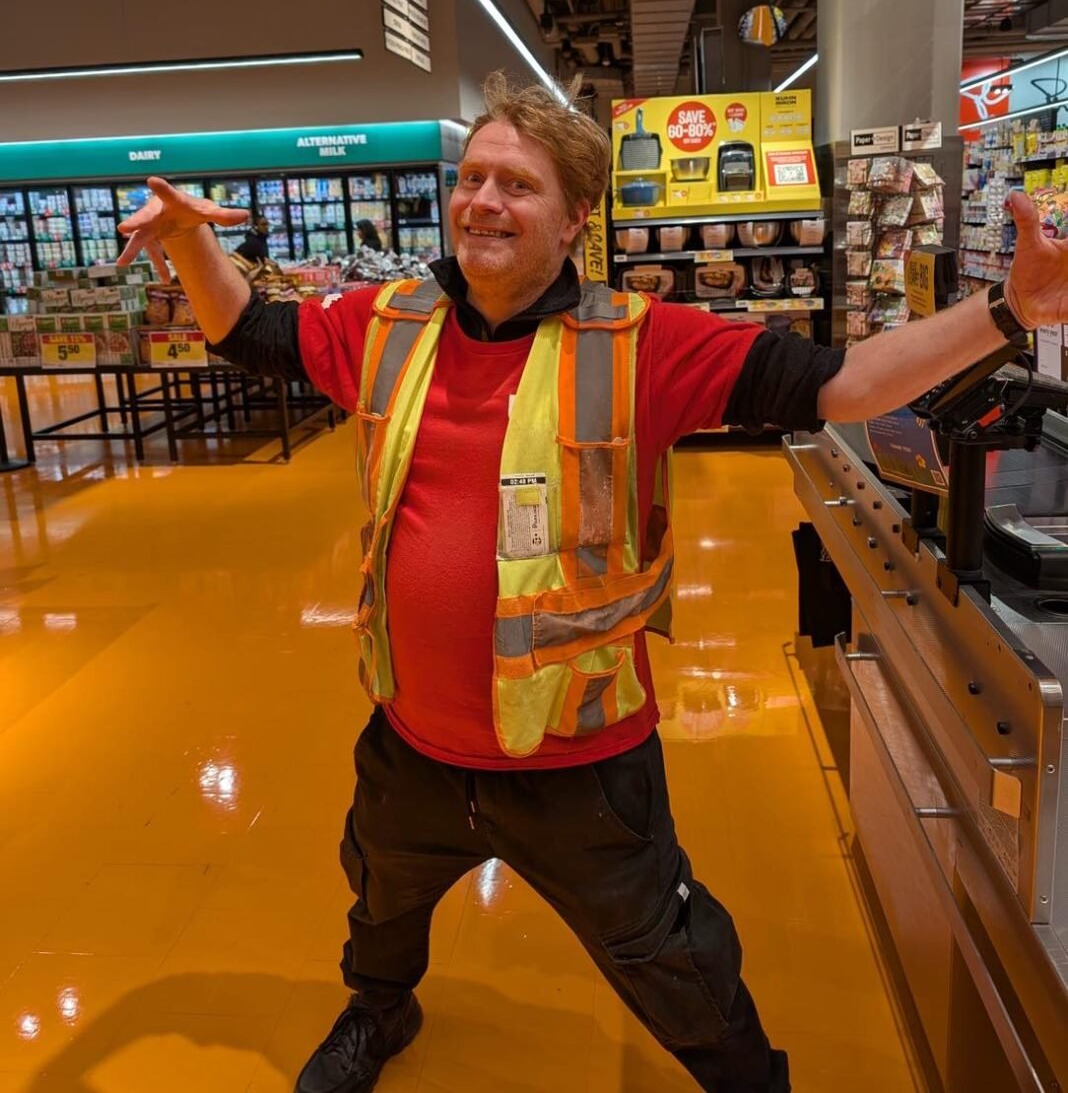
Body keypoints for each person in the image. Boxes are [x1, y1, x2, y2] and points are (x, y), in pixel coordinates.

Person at [116, 72, 1068, 1093]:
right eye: (473, 176)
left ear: (575, 217)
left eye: (516, 186)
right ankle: (380, 1012)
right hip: (412, 741)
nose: (482, 200)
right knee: (378, 903)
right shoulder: (387, 324)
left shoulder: (638, 343)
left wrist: (1010, 309)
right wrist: (186, 242)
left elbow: (848, 382)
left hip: (579, 755)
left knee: (671, 959)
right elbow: (249, 332)